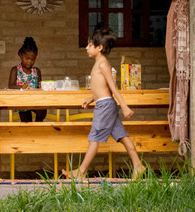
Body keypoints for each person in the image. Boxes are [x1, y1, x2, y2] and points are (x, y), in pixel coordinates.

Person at [62, 26, 145, 181]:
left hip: (105, 106)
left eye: (90, 45)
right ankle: (138, 165)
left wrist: (124, 106)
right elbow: (102, 88)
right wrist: (91, 98)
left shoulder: (103, 64)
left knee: (94, 137)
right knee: (122, 136)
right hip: (104, 103)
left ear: (99, 47)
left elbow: (112, 87)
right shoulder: (98, 63)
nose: (86, 48)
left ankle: (81, 171)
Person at [8, 36, 46, 122]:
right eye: (27, 58)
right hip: (22, 101)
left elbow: (40, 87)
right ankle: (30, 132)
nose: (29, 61)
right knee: (26, 119)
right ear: (21, 55)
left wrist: (41, 86)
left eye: (33, 59)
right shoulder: (15, 70)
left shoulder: (37, 71)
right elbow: (10, 86)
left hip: (35, 100)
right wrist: (21, 87)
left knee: (42, 111)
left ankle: (36, 128)